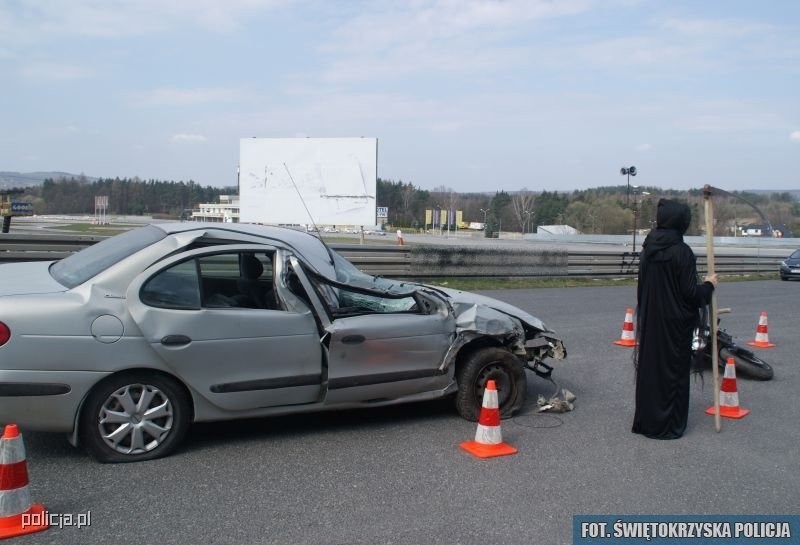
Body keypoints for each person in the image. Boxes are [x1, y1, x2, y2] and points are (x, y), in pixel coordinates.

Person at [632, 199, 719, 439]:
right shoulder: (682, 252)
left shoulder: (648, 248)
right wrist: (709, 286)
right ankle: (667, 426)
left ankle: (647, 422)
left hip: (652, 321)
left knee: (651, 372)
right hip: (674, 327)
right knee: (673, 375)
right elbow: (691, 295)